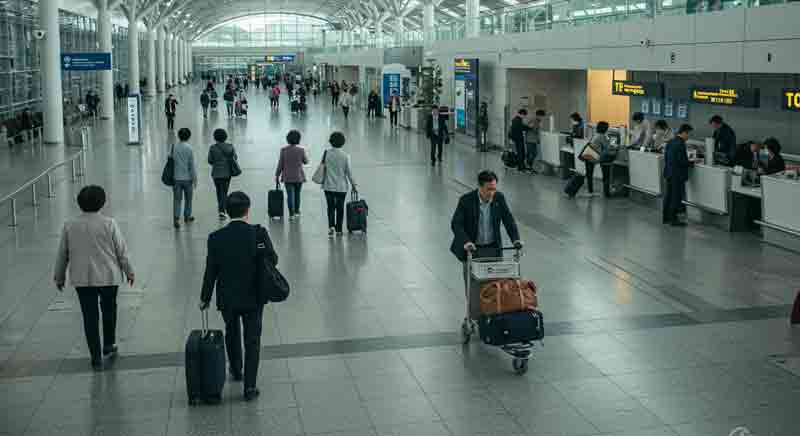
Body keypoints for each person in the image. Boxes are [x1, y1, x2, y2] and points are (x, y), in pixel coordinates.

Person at [200, 191, 277, 402]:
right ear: (247, 210)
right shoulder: (258, 233)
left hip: (228, 298)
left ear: (227, 210)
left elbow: (211, 271)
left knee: (231, 333)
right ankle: (250, 387)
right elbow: (273, 260)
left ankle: (236, 369)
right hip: (254, 297)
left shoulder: (215, 238)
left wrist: (205, 297)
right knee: (252, 339)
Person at [54, 185, 135, 371]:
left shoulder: (70, 225)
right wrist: (129, 271)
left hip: (83, 279)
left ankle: (95, 355)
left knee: (89, 316)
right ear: (102, 202)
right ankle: (109, 343)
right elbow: (121, 251)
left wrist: (59, 277)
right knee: (109, 310)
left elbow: (62, 254)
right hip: (108, 276)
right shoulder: (109, 223)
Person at [450, 170, 522, 322]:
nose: (492, 192)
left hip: (492, 248)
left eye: (494, 188)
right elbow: (456, 224)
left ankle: (492, 314)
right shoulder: (466, 200)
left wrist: (516, 240)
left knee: (494, 285)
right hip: (472, 250)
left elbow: (508, 220)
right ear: (480, 187)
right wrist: (466, 241)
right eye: (489, 189)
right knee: (474, 288)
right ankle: (474, 317)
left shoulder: (499, 198)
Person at [321, 132, 356, 237]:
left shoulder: (326, 154)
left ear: (331, 142)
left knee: (330, 207)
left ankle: (331, 227)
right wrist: (354, 185)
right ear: (342, 143)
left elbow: (323, 168)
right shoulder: (345, 156)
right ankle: (339, 229)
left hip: (328, 186)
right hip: (341, 187)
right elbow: (349, 173)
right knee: (340, 208)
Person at [663, 124, 693, 227]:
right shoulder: (680, 144)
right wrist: (692, 163)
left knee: (668, 195)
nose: (688, 137)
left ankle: (666, 217)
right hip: (677, 175)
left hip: (669, 172)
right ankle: (674, 219)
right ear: (684, 132)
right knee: (676, 197)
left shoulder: (671, 141)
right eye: (688, 134)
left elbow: (666, 157)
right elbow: (682, 161)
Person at [275, 130, 309, 220]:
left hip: (287, 177)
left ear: (288, 139)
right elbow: (306, 162)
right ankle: (297, 211)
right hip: (299, 177)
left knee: (290, 195)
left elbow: (280, 164)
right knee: (297, 194)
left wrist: (277, 175)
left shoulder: (284, 150)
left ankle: (291, 214)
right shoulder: (301, 150)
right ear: (298, 139)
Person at [208, 129, 238, 220]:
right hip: (227, 173)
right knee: (224, 191)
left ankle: (221, 209)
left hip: (216, 174)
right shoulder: (230, 147)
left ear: (215, 137)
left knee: (219, 191)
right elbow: (235, 158)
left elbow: (210, 160)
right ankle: (222, 210)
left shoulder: (213, 148)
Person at [171, 128, 197, 229]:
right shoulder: (189, 148)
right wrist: (194, 178)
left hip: (176, 178)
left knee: (177, 199)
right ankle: (187, 216)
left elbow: (170, 159)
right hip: (187, 179)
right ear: (188, 137)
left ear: (179, 136)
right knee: (188, 199)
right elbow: (192, 165)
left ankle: (176, 219)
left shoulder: (174, 147)